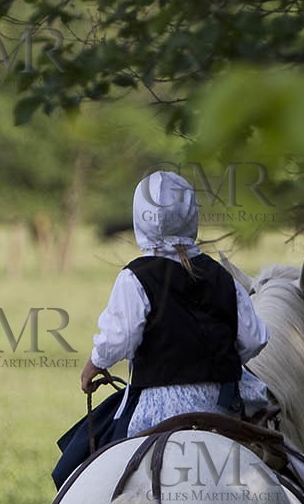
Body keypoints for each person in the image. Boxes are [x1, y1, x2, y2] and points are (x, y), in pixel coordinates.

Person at [78, 170, 273, 439]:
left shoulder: (135, 277)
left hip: (159, 410)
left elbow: (119, 338)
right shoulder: (221, 276)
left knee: (86, 452)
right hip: (223, 408)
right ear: (191, 214)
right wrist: (214, 363)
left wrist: (96, 363)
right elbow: (255, 339)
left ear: (140, 218)